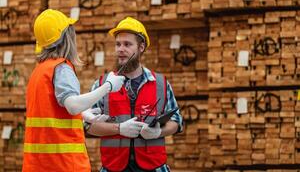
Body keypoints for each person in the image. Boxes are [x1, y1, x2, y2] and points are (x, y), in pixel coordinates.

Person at [22, 9, 125, 172]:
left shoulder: (39, 71)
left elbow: (53, 109)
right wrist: (108, 86)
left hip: (38, 165)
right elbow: (72, 105)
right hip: (64, 164)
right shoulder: (61, 68)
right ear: (67, 37)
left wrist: (84, 115)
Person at [84, 17, 183, 172]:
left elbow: (176, 122)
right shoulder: (102, 85)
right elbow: (88, 126)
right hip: (113, 167)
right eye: (118, 44)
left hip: (154, 167)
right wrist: (119, 129)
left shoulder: (161, 84)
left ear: (141, 47)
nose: (120, 49)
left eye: (127, 44)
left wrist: (158, 132)